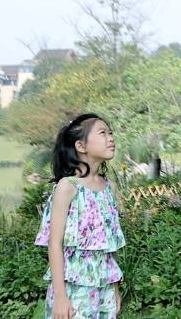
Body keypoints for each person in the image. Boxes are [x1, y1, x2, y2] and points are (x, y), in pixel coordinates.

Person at [35, 113, 125, 319]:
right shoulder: (68, 187)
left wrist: (115, 289)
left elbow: (109, 246)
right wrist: (60, 297)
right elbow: (54, 244)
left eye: (111, 133)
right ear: (81, 146)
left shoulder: (108, 187)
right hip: (74, 290)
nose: (111, 138)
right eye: (103, 133)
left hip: (104, 289)